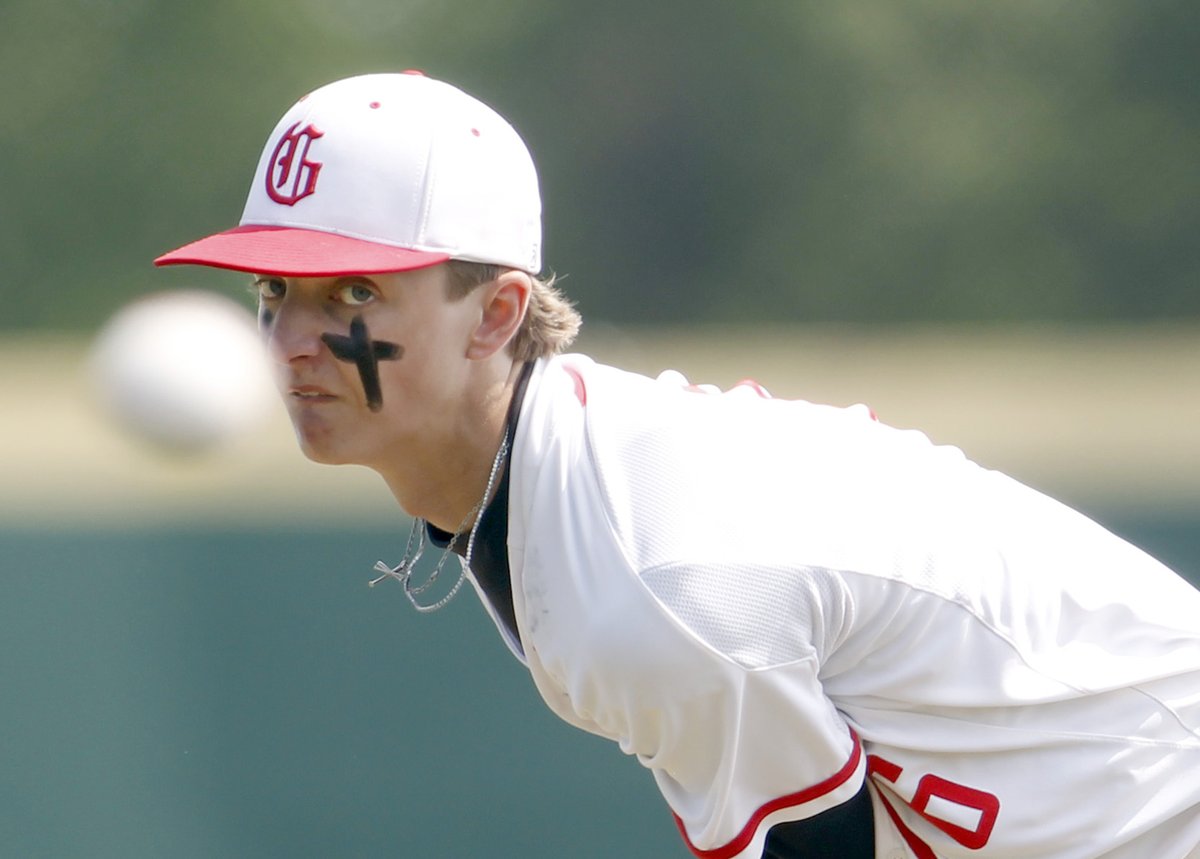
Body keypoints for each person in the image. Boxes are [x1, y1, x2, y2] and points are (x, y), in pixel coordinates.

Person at [156, 71, 1200, 859]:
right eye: (273, 290)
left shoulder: (639, 566)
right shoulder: (559, 491)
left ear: (498, 314)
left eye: (351, 297)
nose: (293, 336)